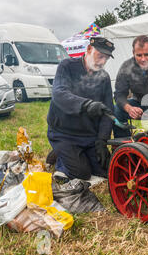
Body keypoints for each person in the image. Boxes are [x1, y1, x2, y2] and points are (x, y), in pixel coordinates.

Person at [46, 36, 115, 182]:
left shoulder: (104, 77)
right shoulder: (67, 66)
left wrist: (102, 140)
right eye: (100, 56)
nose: (102, 62)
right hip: (63, 133)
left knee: (107, 170)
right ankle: (60, 156)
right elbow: (59, 94)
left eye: (106, 59)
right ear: (89, 49)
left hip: (88, 135)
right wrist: (86, 105)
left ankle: (65, 153)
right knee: (82, 173)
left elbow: (108, 112)